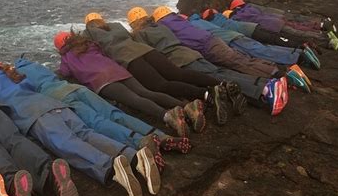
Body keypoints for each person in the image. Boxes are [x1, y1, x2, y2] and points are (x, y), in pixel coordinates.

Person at [0, 60, 161, 196]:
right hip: (55, 106)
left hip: (34, 116)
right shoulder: (16, 76)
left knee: (68, 144)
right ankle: (133, 156)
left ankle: (110, 166)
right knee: (85, 133)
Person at [13, 57, 191, 161]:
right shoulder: (37, 66)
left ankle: (140, 142)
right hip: (76, 88)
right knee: (115, 113)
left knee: (98, 122)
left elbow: (28, 97)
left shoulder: (18, 77)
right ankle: (162, 136)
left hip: (60, 97)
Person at [127, 7, 289, 116]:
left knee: (218, 77)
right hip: (193, 52)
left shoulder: (141, 34)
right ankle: (266, 82)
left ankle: (265, 89)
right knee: (222, 71)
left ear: (133, 23)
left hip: (181, 60)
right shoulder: (163, 26)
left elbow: (148, 53)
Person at [82, 12, 234, 125]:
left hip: (130, 59)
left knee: (160, 85)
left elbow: (96, 51)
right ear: (101, 19)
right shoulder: (116, 25)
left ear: (88, 24)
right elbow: (131, 37)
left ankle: (204, 94)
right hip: (147, 50)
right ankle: (219, 84)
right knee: (177, 73)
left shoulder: (89, 33)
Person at [53, 31, 203, 133]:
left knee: (134, 100)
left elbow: (65, 74)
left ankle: (169, 116)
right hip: (117, 70)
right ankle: (187, 107)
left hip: (101, 80)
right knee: (146, 93)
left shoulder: (66, 58)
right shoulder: (88, 44)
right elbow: (103, 53)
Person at [152, 6, 284, 79]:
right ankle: (273, 69)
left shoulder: (165, 26)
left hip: (207, 47)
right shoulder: (180, 20)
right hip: (213, 40)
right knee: (242, 59)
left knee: (239, 63)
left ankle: (274, 74)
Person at [187, 12, 321, 70]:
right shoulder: (211, 19)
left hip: (232, 39)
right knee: (265, 47)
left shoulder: (193, 25)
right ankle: (298, 50)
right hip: (242, 32)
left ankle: (298, 56)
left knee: (261, 51)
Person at [228, 0, 338, 50]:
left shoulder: (237, 17)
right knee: (299, 28)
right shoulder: (250, 7)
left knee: (298, 34)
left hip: (271, 27)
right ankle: (324, 32)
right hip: (275, 19)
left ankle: (326, 39)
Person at [203, 8, 318, 51]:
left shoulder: (217, 24)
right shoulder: (232, 15)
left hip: (251, 31)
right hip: (256, 25)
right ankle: (305, 40)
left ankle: (301, 45)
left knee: (275, 40)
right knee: (288, 32)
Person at [229, 0, 337, 33]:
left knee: (297, 28)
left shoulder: (240, 15)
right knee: (297, 24)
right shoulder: (250, 7)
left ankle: (320, 28)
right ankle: (321, 26)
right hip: (274, 17)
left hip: (271, 23)